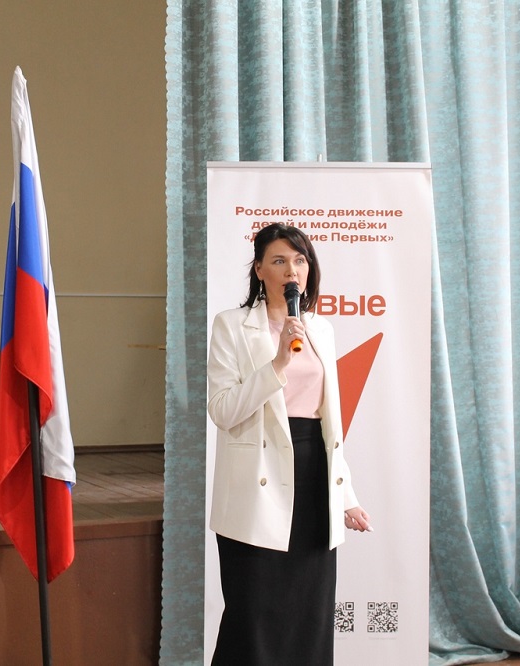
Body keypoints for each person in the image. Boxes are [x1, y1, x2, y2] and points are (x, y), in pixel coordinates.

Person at [207, 222, 372, 664]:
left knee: (308, 614)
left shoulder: (321, 328)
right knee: (254, 615)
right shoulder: (231, 325)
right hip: (255, 485)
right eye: (278, 260)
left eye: (299, 260)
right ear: (259, 269)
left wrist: (347, 497)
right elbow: (222, 411)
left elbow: (329, 426)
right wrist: (276, 364)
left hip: (314, 478)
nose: (291, 270)